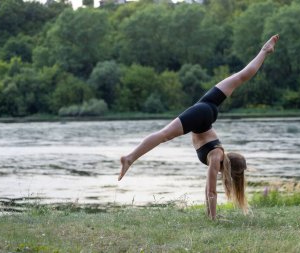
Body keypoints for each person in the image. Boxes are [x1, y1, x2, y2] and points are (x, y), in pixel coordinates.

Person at [119, 34, 279, 220]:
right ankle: (129, 158)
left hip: (208, 109)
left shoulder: (218, 157)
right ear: (229, 171)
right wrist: (213, 218)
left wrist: (211, 215)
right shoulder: (216, 158)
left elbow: (207, 189)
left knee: (241, 77)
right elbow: (211, 191)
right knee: (164, 135)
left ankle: (264, 50)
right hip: (203, 115)